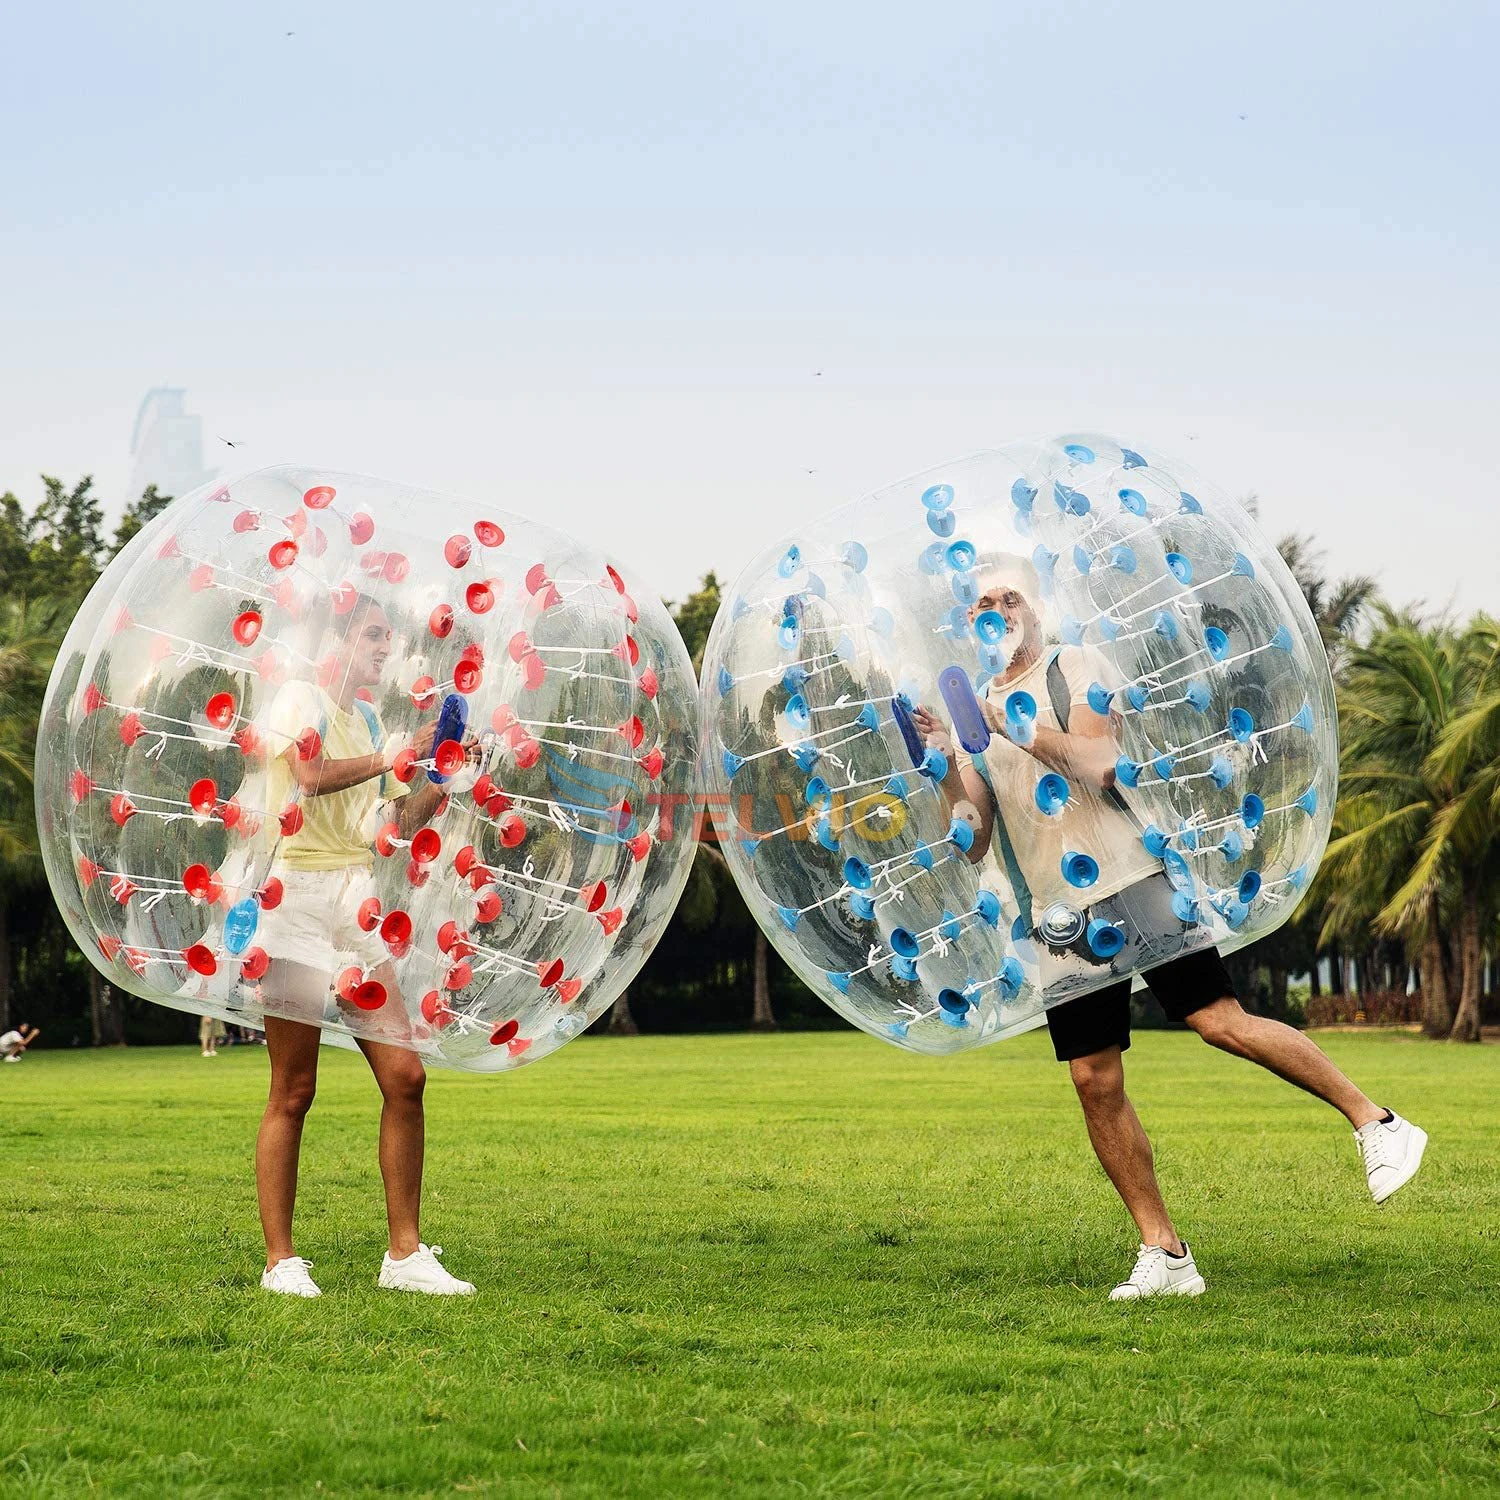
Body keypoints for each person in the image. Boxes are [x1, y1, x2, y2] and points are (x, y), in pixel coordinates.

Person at [912, 556, 1426, 1301]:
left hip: (1133, 880)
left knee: (1218, 1021)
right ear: (971, 618)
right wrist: (943, 771)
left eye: (1010, 596)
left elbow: (1100, 760)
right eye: (984, 601)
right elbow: (976, 834)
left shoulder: (1071, 665)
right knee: (1094, 1079)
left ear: (1033, 606)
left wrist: (1016, 727)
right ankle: (1167, 1253)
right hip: (1060, 915)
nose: (997, 609)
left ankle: (1376, 1121)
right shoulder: (970, 715)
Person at [253, 593, 475, 1299]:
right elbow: (310, 779)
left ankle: (405, 1255)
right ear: (339, 640)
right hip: (294, 904)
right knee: (294, 1089)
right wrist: (387, 756)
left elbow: (389, 822)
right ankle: (281, 1262)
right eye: (373, 635)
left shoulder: (371, 718)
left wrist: (439, 777)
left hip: (355, 903)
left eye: (388, 636)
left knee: (405, 1076)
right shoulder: (300, 697)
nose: (386, 646)